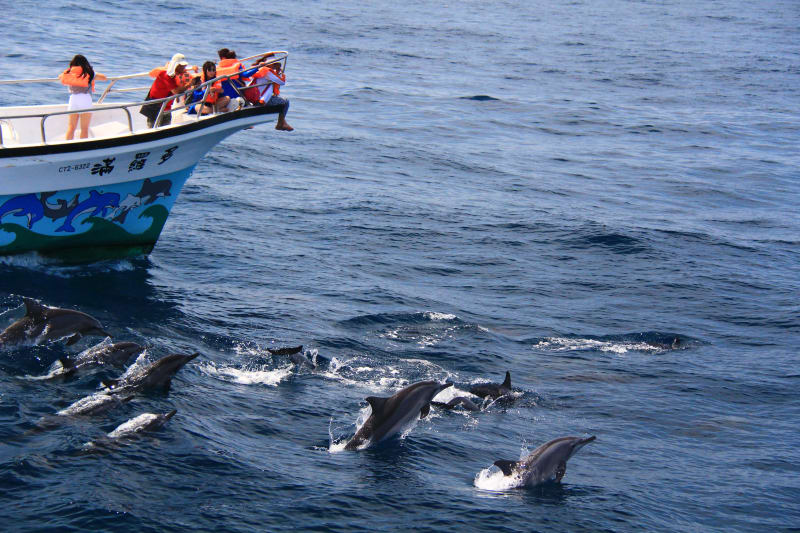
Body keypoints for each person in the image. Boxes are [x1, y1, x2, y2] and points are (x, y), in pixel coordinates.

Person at [58, 54, 108, 140]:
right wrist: (93, 72)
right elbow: (104, 78)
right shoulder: (89, 73)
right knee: (84, 129)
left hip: (73, 99)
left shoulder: (69, 72)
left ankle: (67, 148)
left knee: (71, 127)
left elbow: (60, 77)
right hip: (85, 99)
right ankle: (82, 148)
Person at [142, 53, 192, 127]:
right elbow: (176, 91)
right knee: (153, 129)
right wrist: (190, 84)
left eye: (184, 66)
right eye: (181, 66)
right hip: (155, 106)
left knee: (165, 127)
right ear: (175, 65)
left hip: (166, 107)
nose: (183, 68)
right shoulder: (165, 74)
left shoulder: (174, 75)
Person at [249, 59, 293, 131]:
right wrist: (280, 72)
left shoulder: (258, 70)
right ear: (270, 65)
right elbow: (281, 82)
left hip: (253, 97)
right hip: (261, 99)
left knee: (277, 100)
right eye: (275, 65)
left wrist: (277, 71)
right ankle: (280, 124)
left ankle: (282, 122)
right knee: (285, 102)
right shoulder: (268, 72)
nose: (275, 67)